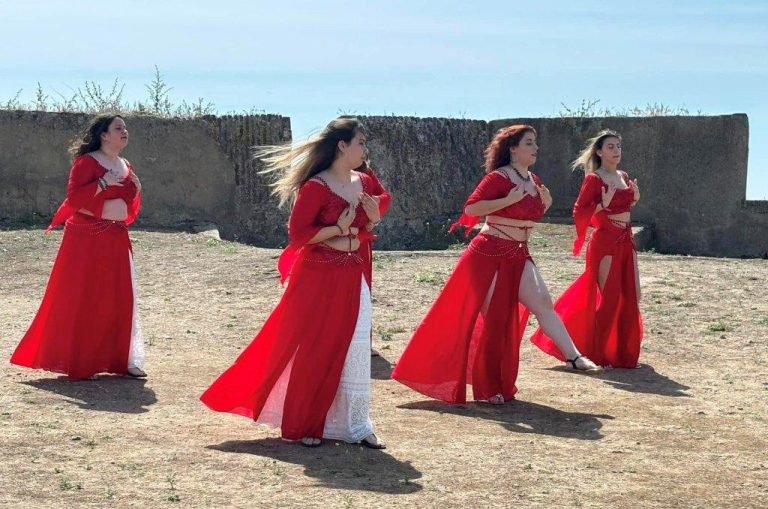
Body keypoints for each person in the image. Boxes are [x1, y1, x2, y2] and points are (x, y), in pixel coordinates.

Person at [200, 117, 390, 448]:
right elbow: (299, 234)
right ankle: (307, 423)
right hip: (318, 277)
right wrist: (338, 229)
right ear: (342, 145)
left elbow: (382, 200)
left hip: (355, 273)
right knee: (316, 347)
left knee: (356, 347)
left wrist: (374, 216)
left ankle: (358, 425)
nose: (365, 149)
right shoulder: (316, 186)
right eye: (360, 142)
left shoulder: (365, 179)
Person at [392, 125, 599, 405]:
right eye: (529, 143)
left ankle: (573, 356)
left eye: (535, 142)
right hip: (489, 254)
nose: (535, 148)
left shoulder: (534, 180)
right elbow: (471, 209)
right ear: (513, 149)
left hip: (519, 252)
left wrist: (546, 204)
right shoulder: (498, 178)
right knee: (496, 320)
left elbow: (527, 216)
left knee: (542, 302)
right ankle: (489, 387)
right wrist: (507, 199)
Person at [11, 114, 145, 380]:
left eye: (125, 128)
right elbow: (74, 200)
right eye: (118, 128)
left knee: (119, 297)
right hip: (87, 239)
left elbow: (127, 202)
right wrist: (102, 184)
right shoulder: (85, 163)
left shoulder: (125, 165)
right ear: (104, 135)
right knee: (86, 297)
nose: (125, 131)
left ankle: (123, 358)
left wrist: (136, 188)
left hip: (116, 238)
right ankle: (83, 360)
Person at [531, 129, 643, 368]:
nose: (616, 151)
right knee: (610, 298)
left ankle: (622, 352)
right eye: (610, 147)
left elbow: (624, 206)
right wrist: (603, 204)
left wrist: (634, 199)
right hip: (606, 241)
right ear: (599, 152)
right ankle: (596, 351)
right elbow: (579, 212)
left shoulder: (623, 176)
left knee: (633, 295)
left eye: (618, 146)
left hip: (626, 239)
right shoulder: (594, 179)